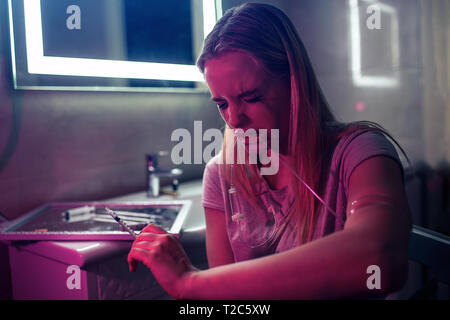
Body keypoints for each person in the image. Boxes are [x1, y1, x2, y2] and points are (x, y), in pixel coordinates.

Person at [127, 3, 412, 299]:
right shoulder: (221, 174)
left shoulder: (360, 152)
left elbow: (380, 258)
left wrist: (190, 284)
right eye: (222, 104)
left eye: (250, 97)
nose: (234, 119)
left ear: (295, 82)